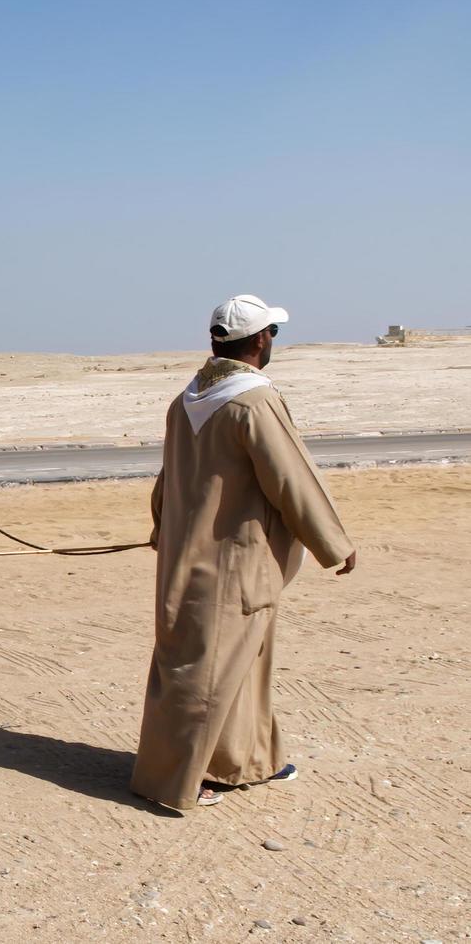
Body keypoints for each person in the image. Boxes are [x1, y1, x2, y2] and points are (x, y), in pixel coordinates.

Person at [130, 294, 356, 811]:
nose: (273, 340)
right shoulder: (253, 400)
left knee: (239, 660)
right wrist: (333, 543)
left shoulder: (188, 396)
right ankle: (187, 779)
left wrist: (162, 530)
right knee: (208, 669)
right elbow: (290, 477)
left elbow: (169, 479)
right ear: (259, 340)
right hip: (235, 560)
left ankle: (246, 762)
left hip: (187, 554)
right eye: (272, 332)